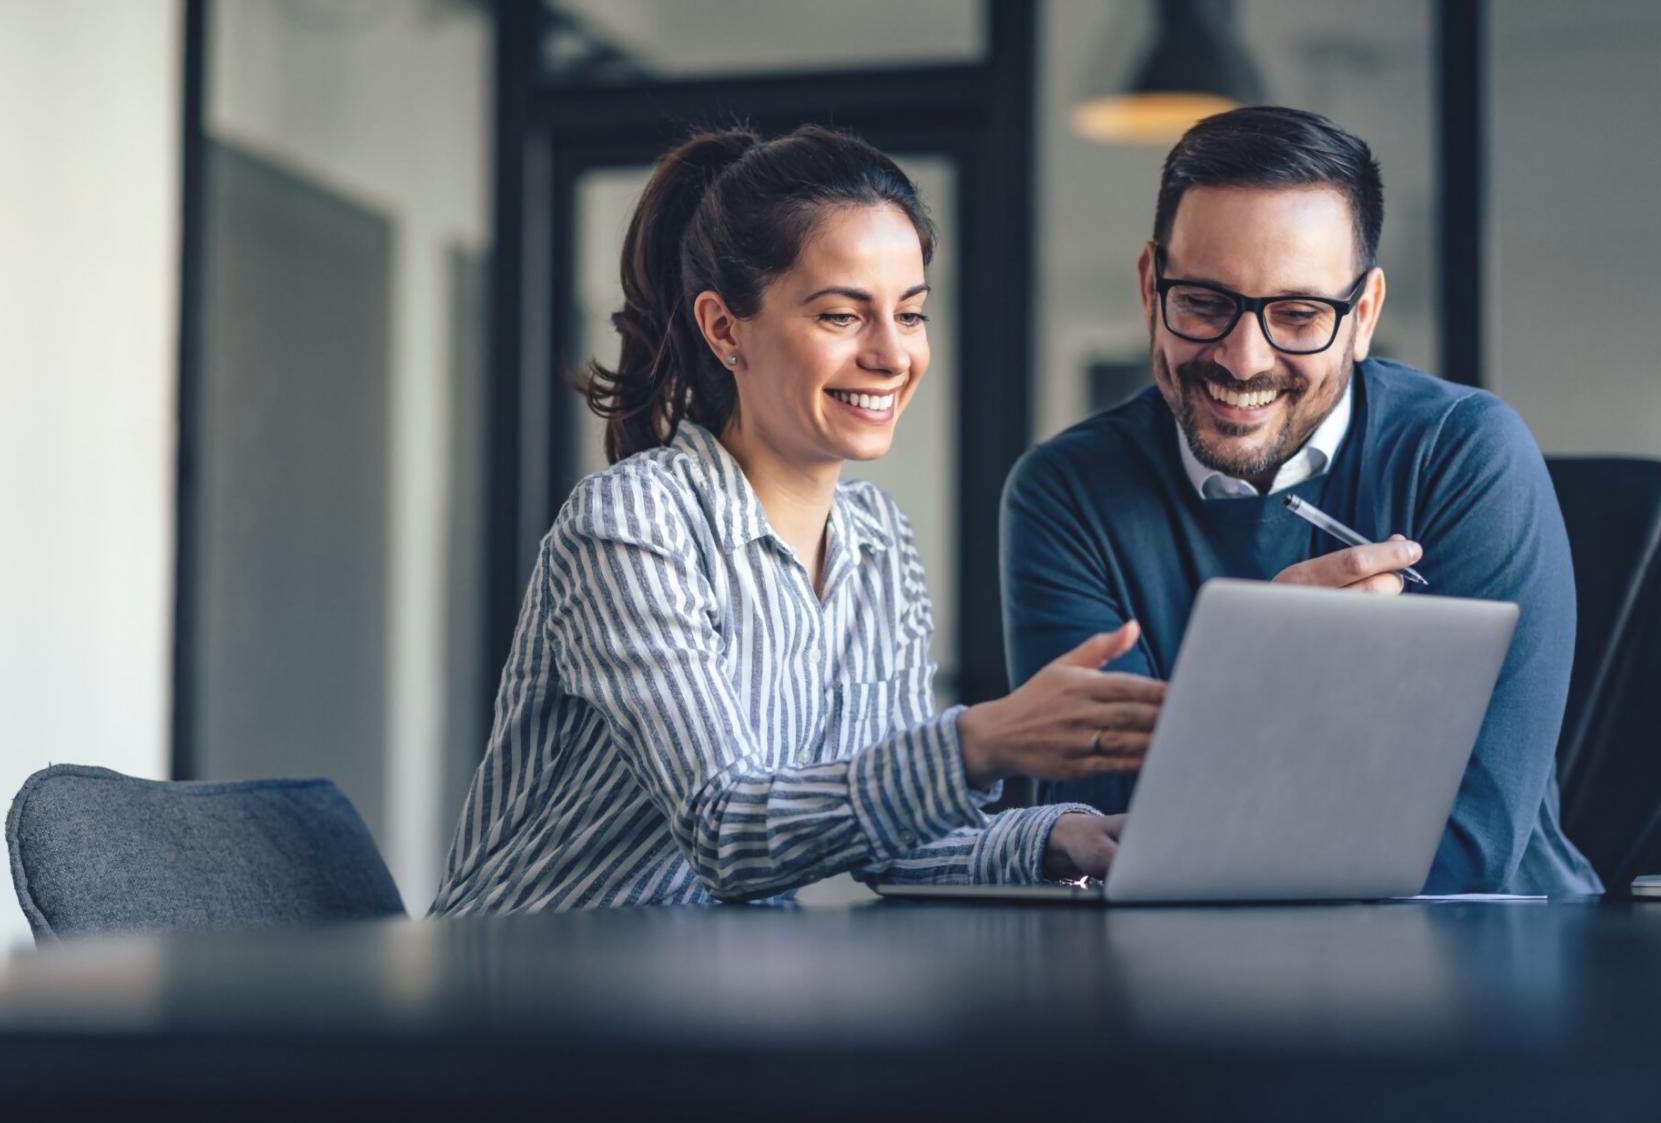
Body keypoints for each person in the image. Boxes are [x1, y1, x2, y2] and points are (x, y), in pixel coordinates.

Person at [433, 125, 1161, 913]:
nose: (892, 354)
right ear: (724, 328)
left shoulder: (877, 540)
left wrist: (1065, 838)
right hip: (526, 991)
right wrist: (981, 740)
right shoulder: (631, 522)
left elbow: (894, 837)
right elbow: (727, 830)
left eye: (910, 314)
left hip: (711, 992)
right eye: (843, 316)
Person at [1002, 106, 1601, 896]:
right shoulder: (1064, 494)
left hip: (1488, 958)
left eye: (1298, 314)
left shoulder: (1468, 455)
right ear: (1152, 287)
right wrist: (1267, 672)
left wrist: (1221, 747)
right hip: (1187, 978)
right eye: (1205, 303)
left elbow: (1470, 838)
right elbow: (1113, 833)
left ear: (1363, 316)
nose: (1243, 359)